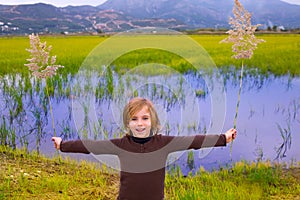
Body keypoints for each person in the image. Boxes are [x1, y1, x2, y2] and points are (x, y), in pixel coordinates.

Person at [52, 97, 237, 200]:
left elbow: (194, 141)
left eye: (145, 118)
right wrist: (62, 145)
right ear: (127, 123)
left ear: (153, 121)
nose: (140, 124)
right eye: (134, 119)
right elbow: (90, 146)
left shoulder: (164, 143)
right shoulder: (120, 145)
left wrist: (223, 138)